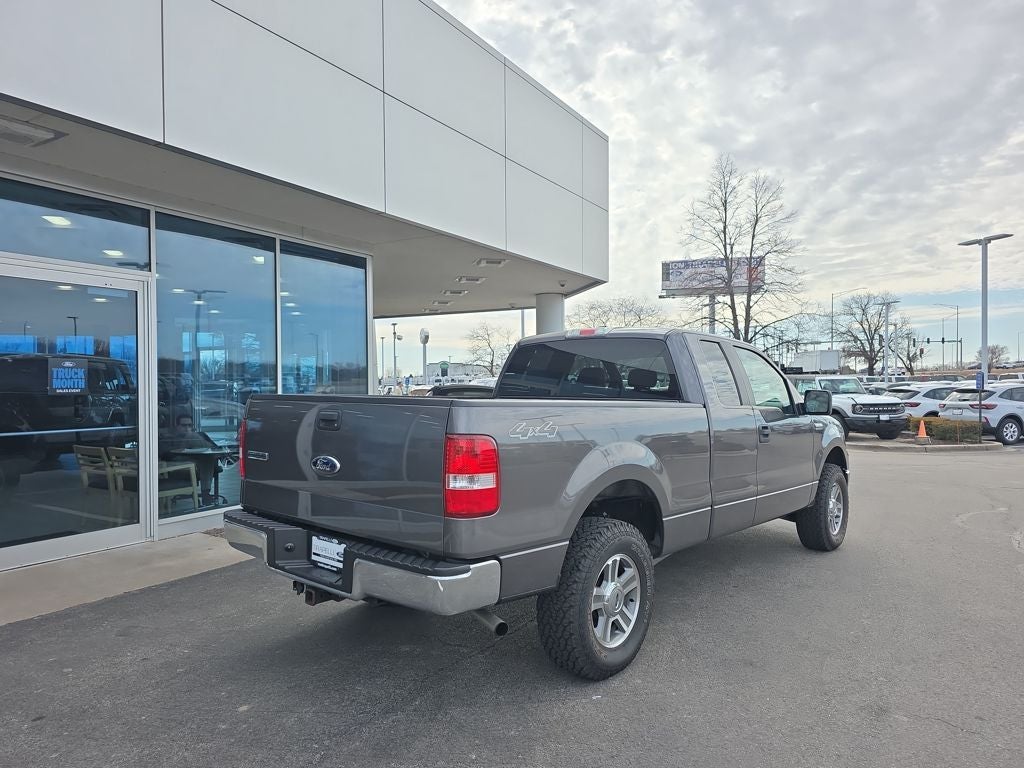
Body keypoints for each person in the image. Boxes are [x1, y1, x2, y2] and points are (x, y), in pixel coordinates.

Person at [160, 414, 222, 503]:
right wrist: (180, 448)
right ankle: (224, 457)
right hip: (177, 460)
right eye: (184, 425)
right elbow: (163, 453)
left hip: (196, 460)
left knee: (207, 458)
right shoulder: (169, 437)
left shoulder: (200, 435)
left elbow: (213, 446)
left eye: (190, 425)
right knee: (193, 437)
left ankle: (205, 493)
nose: (187, 428)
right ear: (177, 426)